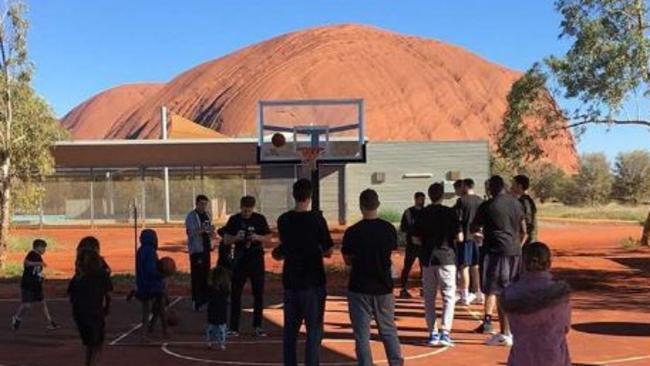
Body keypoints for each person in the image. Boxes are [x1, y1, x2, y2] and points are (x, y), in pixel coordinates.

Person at [272, 178, 334, 366]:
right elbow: (328, 250)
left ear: (293, 195)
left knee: (290, 332)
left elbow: (285, 246)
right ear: (310, 196)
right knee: (313, 331)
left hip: (291, 280)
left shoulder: (284, 220)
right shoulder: (316, 219)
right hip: (313, 280)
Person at [342, 189, 403, 366]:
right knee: (388, 330)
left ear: (361, 207)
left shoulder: (353, 231)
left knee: (362, 334)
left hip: (359, 286)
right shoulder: (388, 229)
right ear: (377, 204)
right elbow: (393, 254)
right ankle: (396, 363)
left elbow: (347, 259)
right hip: (383, 286)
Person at [471, 175, 527, 346]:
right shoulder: (517, 203)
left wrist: (481, 235)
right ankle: (511, 331)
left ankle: (505, 333)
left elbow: (473, 227)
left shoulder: (487, 205)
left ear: (490, 189)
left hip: (496, 252)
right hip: (515, 252)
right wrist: (518, 246)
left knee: (499, 291)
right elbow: (524, 230)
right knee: (510, 291)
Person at [501, 242, 571, 366]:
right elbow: (565, 327)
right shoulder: (560, 294)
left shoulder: (511, 293)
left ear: (523, 263)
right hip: (553, 357)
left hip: (522, 357)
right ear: (549, 263)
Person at [412, 182, 461, 347]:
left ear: (429, 195)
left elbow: (415, 238)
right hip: (446, 257)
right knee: (448, 297)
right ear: (442, 195)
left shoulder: (422, 213)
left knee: (429, 298)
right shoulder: (450, 213)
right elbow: (459, 237)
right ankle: (445, 332)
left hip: (427, 258)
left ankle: (432, 333)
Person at [223, 195, 272, 337]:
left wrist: (257, 237)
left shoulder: (259, 219)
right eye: (244, 211)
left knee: (258, 294)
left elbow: (269, 237)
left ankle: (258, 326)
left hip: (256, 259)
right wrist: (236, 238)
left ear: (253, 208)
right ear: (241, 207)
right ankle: (233, 327)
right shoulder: (234, 220)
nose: (246, 213)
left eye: (249, 211)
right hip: (240, 260)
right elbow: (226, 240)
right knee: (236, 293)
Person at [68, 248, 113, 366]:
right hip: (94, 313)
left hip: (79, 313)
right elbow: (108, 295)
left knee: (90, 344)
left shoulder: (78, 277)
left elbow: (71, 297)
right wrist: (107, 308)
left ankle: (89, 363)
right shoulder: (101, 275)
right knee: (97, 343)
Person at [11, 239, 59, 331]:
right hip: (28, 283)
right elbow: (26, 263)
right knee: (26, 305)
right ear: (38, 247)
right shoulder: (32, 254)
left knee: (42, 303)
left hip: (36, 284)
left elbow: (36, 271)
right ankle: (17, 317)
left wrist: (41, 276)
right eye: (43, 248)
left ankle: (50, 322)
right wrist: (39, 263)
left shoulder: (39, 257)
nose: (44, 250)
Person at [454, 178, 484, 306]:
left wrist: (459, 232)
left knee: (464, 266)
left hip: (466, 237)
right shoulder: (480, 201)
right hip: (477, 238)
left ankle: (465, 295)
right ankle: (478, 293)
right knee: (475, 266)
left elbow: (457, 219)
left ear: (465, 186)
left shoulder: (462, 201)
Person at [135, 229, 168, 341]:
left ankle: (152, 329)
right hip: (152, 285)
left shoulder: (140, 251)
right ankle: (162, 330)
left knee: (150, 308)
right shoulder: (151, 252)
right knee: (159, 306)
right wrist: (162, 275)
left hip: (142, 284)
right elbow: (151, 270)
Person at [185, 194, 216, 311]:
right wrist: (203, 229)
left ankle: (204, 298)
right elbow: (191, 232)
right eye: (201, 204)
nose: (203, 206)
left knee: (205, 274)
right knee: (197, 275)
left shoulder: (207, 215)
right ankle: (196, 300)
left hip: (206, 248)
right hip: (196, 250)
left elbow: (209, 232)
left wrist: (211, 232)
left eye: (205, 204)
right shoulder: (191, 216)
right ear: (196, 204)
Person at [398, 192, 425, 299]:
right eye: (420, 199)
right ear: (415, 199)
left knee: (425, 268)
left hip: (423, 245)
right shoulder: (409, 212)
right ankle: (403, 288)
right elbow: (404, 228)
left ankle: (424, 289)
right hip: (412, 245)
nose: (422, 201)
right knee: (407, 266)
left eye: (423, 199)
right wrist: (411, 236)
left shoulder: (426, 212)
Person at [207, 265, 232, 350]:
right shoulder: (225, 289)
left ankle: (210, 342)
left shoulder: (210, 288)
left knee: (211, 326)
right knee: (222, 327)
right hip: (221, 310)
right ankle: (222, 344)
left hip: (212, 310)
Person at [511, 175, 538, 248]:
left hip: (526, 242)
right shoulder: (524, 200)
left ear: (519, 186)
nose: (511, 187)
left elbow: (528, 222)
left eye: (513, 184)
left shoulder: (524, 201)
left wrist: (522, 240)